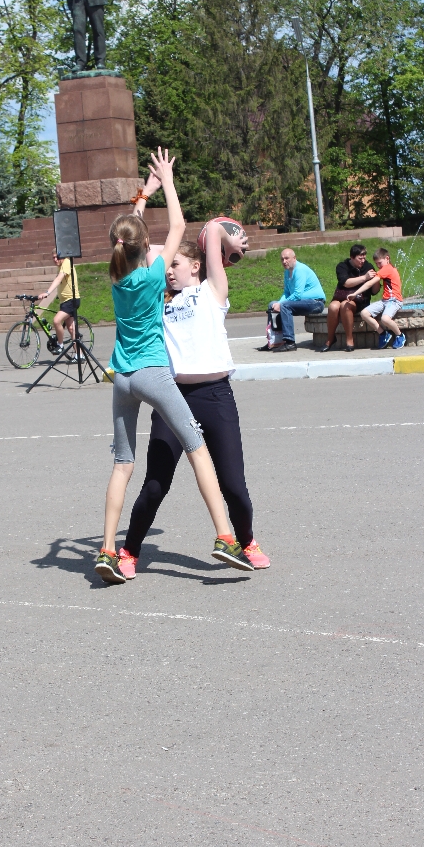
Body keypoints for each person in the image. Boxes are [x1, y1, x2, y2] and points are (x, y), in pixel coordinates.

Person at [95, 147, 248, 585]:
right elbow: (178, 226)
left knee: (122, 465)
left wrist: (143, 196)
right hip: (153, 375)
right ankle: (225, 537)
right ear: (147, 248)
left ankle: (107, 550)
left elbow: (128, 234)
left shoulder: (118, 278)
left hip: (121, 378)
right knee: (197, 449)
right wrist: (167, 181)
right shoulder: (151, 278)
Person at [115, 218, 271, 579]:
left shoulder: (213, 290)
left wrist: (228, 239)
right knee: (156, 484)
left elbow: (213, 229)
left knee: (233, 485)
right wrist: (143, 213)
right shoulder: (158, 301)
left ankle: (246, 541)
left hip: (216, 396)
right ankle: (129, 550)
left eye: (176, 264)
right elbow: (141, 248)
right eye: (167, 266)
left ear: (197, 265)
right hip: (173, 397)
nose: (168, 270)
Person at [260, 249, 325, 352]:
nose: (284, 261)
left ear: (294, 258)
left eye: (287, 258)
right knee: (272, 304)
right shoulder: (287, 272)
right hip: (302, 302)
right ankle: (274, 341)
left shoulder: (300, 270)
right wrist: (278, 303)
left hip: (316, 303)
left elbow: (297, 295)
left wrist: (281, 304)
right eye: (282, 259)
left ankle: (290, 342)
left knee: (284, 306)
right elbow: (287, 293)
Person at [321, 244, 380, 352]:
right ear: (352, 257)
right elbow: (346, 283)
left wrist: (376, 279)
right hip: (342, 296)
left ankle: (349, 339)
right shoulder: (342, 266)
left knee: (345, 305)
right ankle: (330, 338)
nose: (363, 261)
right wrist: (365, 277)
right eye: (360, 258)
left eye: (364, 258)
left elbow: (374, 292)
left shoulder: (368, 266)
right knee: (333, 307)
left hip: (359, 300)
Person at [348, 247, 406, 349]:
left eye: (380, 263)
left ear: (387, 258)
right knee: (364, 313)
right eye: (376, 264)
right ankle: (383, 334)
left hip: (394, 300)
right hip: (385, 300)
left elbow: (370, 283)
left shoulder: (387, 269)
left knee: (385, 319)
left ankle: (400, 335)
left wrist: (355, 293)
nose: (378, 266)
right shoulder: (387, 269)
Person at [38, 249, 80, 354]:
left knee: (56, 321)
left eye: (57, 257)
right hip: (65, 301)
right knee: (71, 329)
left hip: (71, 300)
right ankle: (79, 355)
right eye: (53, 257)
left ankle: (60, 345)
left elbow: (58, 280)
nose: (55, 259)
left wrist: (47, 292)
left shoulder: (67, 262)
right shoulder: (61, 266)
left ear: (62, 256)